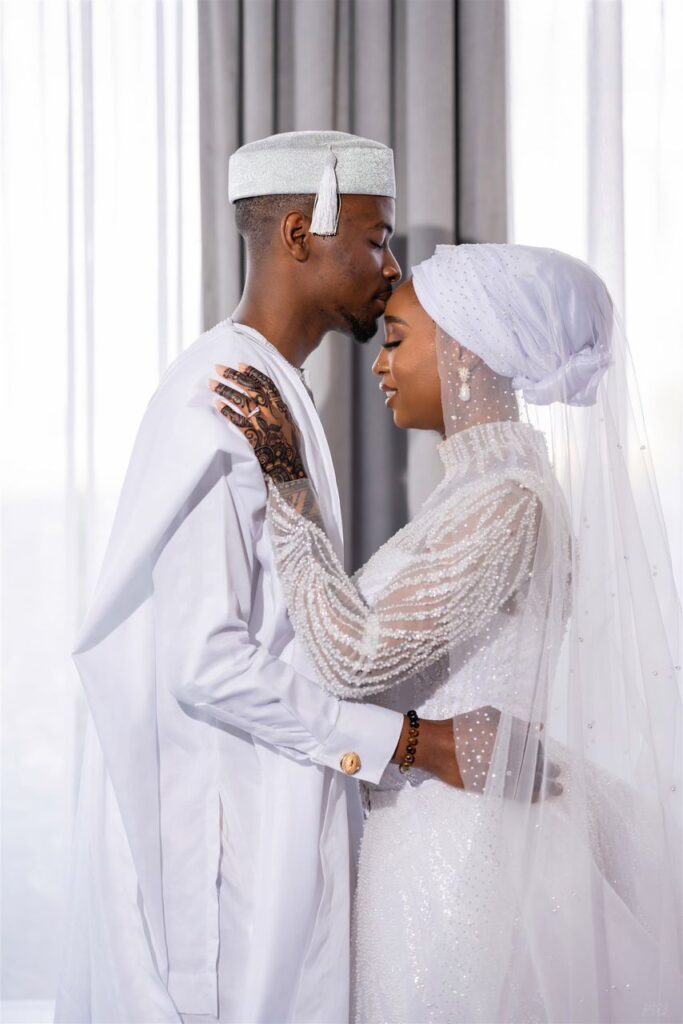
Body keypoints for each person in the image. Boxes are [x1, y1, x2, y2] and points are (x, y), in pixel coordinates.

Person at [212, 243, 683, 1023]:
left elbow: (351, 657)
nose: (377, 366)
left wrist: (285, 485)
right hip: (436, 838)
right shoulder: (474, 492)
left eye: (395, 339)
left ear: (464, 349)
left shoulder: (508, 501)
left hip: (466, 863)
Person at [54, 131, 464, 1024]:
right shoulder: (220, 398)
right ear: (296, 235)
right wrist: (402, 742)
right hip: (230, 837)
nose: (389, 270)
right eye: (374, 238)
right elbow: (207, 663)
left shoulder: (271, 385)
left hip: (280, 802)